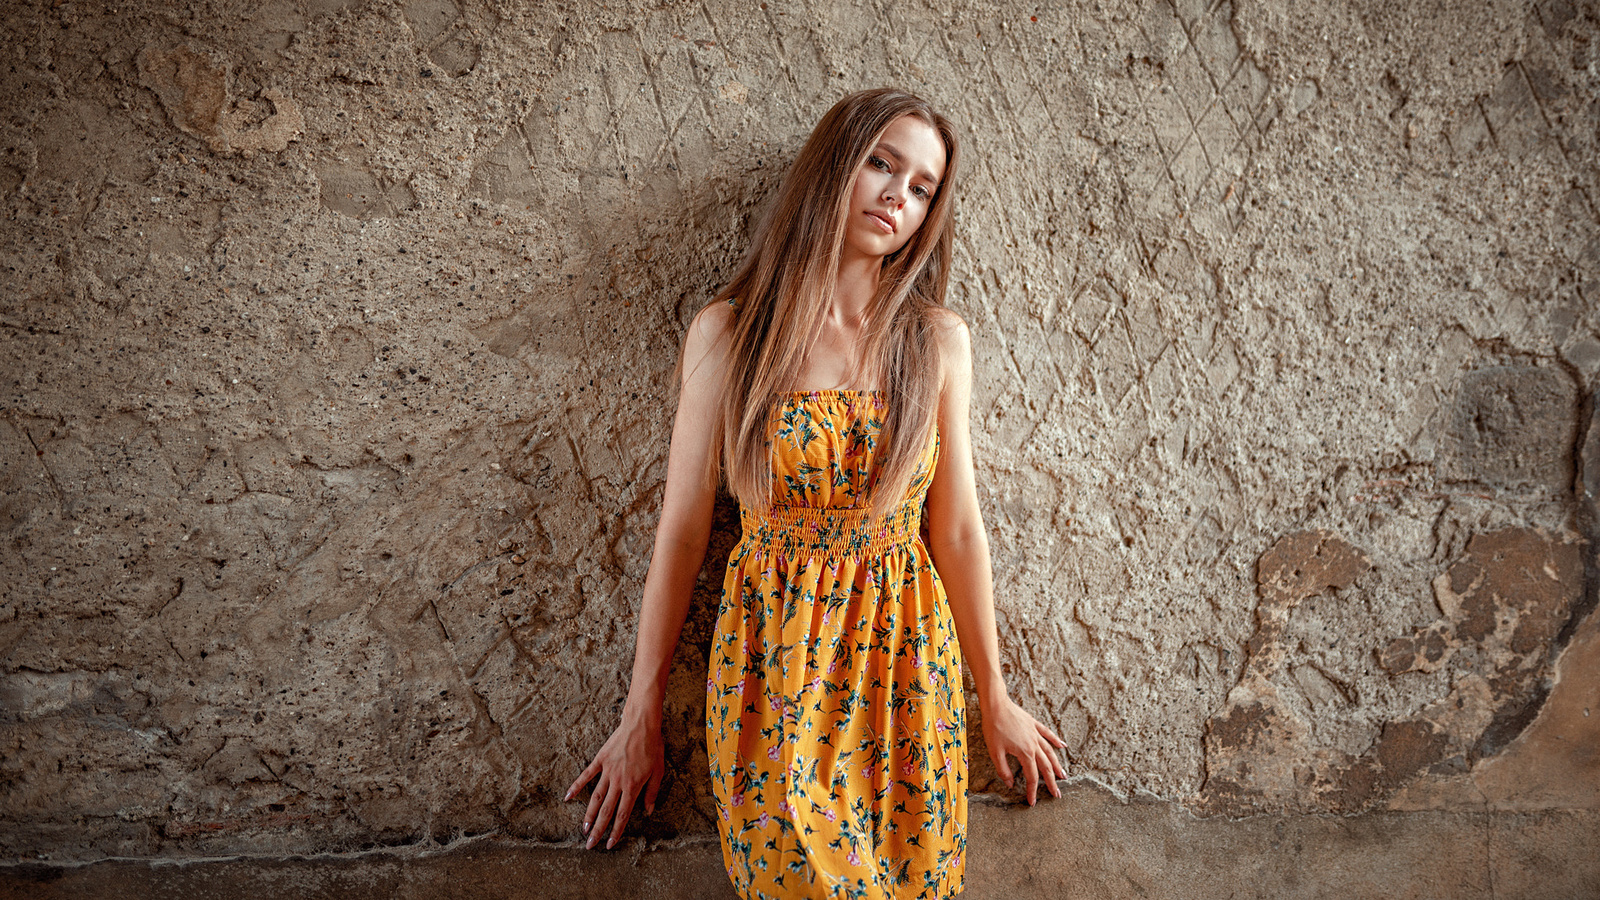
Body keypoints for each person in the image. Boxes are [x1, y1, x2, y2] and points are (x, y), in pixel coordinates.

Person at [565, 87, 1067, 899]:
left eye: (922, 188)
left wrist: (995, 696)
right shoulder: (729, 336)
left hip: (903, 665)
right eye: (881, 163)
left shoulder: (935, 342)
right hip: (773, 667)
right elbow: (684, 528)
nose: (897, 196)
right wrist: (640, 712)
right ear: (835, 165)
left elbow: (960, 530)